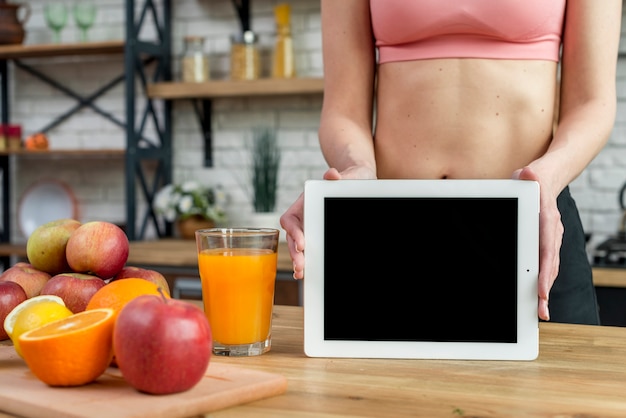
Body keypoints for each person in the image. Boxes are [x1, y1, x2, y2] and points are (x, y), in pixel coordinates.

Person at [280, 0, 622, 325]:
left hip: (530, 226)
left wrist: (546, 177)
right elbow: (343, 109)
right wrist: (356, 170)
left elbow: (592, 103)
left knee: (558, 386)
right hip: (394, 232)